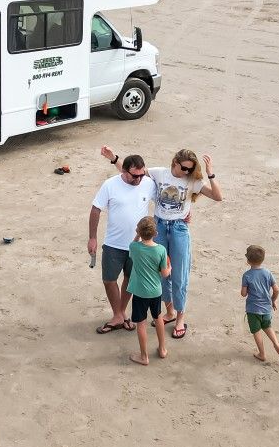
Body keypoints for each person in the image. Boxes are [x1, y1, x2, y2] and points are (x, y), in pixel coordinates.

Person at [101, 145, 223, 339]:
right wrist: (115, 159)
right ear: (175, 163)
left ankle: (180, 317)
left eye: (190, 169)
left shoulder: (193, 180)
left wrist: (210, 174)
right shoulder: (159, 174)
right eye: (184, 168)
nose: (187, 172)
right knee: (161, 272)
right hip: (159, 226)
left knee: (180, 274)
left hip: (179, 228)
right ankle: (169, 312)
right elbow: (134, 174)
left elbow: (218, 197)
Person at [88, 154, 155, 334]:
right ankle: (119, 315)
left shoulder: (147, 183)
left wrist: (184, 212)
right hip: (113, 243)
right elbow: (96, 209)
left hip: (138, 245)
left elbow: (163, 201)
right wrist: (92, 237)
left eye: (141, 175)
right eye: (135, 176)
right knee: (109, 279)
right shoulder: (110, 184)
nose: (139, 179)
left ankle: (120, 314)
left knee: (130, 279)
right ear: (124, 171)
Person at [126, 216, 171, 366]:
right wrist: (170, 268)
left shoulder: (135, 248)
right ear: (156, 234)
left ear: (138, 231)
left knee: (141, 323)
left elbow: (132, 245)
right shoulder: (161, 250)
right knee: (157, 317)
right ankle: (163, 348)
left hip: (140, 292)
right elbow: (164, 274)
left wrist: (138, 234)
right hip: (156, 291)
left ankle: (144, 356)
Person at [241, 244, 279, 362]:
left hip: (253, 309)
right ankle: (276, 344)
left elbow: (243, 294)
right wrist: (273, 300)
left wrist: (246, 288)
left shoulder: (247, 275)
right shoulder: (267, 273)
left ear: (248, 261)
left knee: (256, 331)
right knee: (267, 327)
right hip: (266, 308)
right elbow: (276, 289)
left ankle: (262, 354)